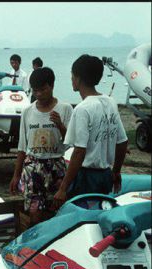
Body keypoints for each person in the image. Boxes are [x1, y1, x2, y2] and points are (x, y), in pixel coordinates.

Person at [54, 55, 128, 208]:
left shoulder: (82, 109)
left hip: (86, 177)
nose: (71, 79)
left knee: (83, 217)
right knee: (100, 213)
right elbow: (122, 142)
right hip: (105, 174)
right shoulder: (110, 102)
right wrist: (116, 172)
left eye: (72, 75)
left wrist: (63, 188)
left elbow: (79, 151)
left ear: (78, 78)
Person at [9, 67, 73, 226]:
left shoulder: (65, 109)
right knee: (34, 212)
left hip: (56, 166)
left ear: (51, 86)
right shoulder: (27, 112)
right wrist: (16, 175)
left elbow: (71, 143)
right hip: (33, 167)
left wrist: (59, 125)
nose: (38, 94)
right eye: (35, 91)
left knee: (57, 210)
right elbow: (22, 146)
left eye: (42, 90)